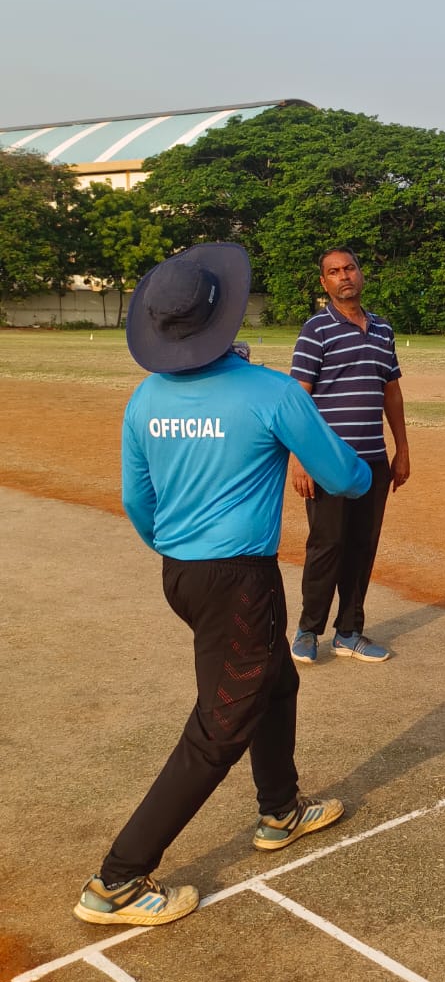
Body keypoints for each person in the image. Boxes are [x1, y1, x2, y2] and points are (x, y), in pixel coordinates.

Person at [74, 243, 372, 928]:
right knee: (219, 725)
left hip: (179, 572)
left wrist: (178, 549)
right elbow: (341, 477)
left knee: (276, 681)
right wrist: (362, 474)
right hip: (238, 579)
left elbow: (136, 501)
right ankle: (116, 878)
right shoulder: (270, 391)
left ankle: (280, 808)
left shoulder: (145, 397)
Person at [289, 247, 410, 664]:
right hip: (327, 464)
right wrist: (299, 460)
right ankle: (307, 630)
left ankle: (349, 632)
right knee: (327, 546)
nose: (344, 276)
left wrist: (402, 450)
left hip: (373, 463)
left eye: (350, 268)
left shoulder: (382, 330)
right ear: (324, 283)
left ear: (361, 274)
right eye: (334, 272)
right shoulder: (316, 330)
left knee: (362, 547)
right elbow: (297, 400)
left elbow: (390, 391)